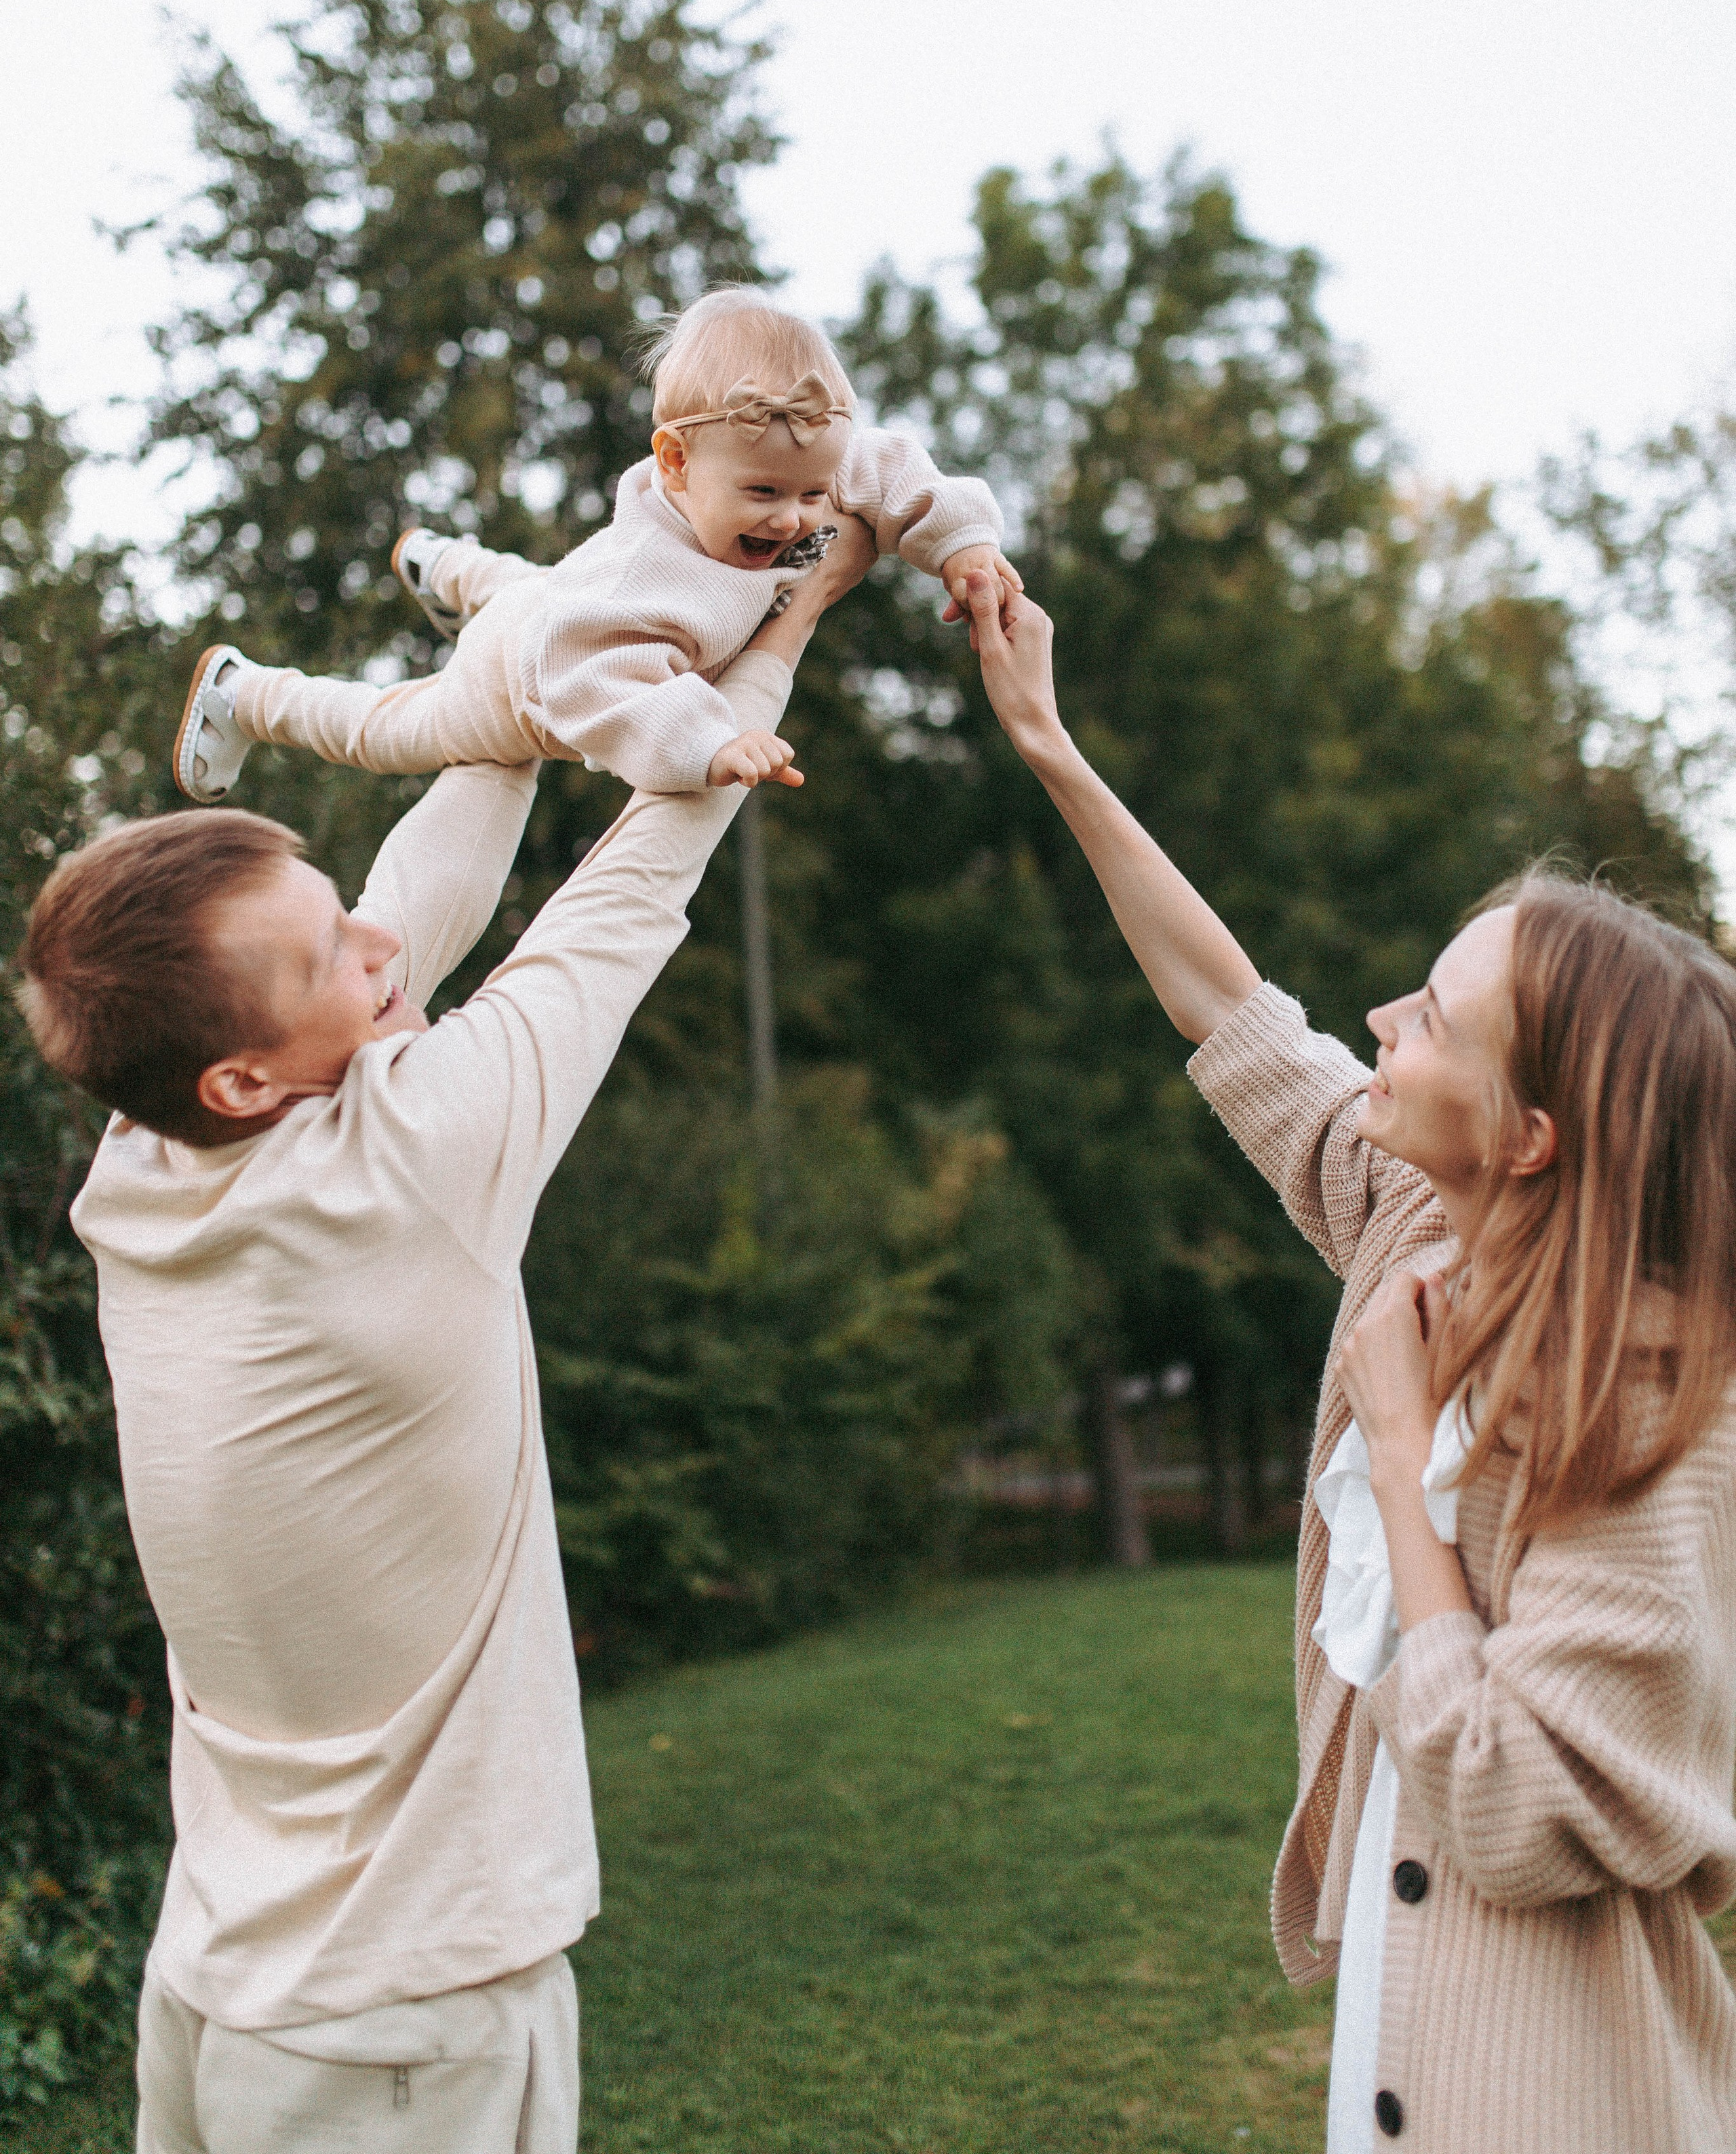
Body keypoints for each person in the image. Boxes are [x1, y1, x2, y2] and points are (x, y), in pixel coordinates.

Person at [14, 521, 872, 2154]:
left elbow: (431, 870)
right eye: (331, 953)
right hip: (400, 2028)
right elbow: (653, 850)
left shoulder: (139, 1166)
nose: (382, 945)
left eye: (342, 910)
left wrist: (556, 638)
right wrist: (787, 613)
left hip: (218, 1981)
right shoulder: (411, 1164)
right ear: (244, 1077)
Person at [955, 566, 1736, 2154]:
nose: (1382, 1017)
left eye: (1433, 1020)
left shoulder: (1647, 1400)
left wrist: (1398, 1458)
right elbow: (1228, 1009)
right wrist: (1047, 741)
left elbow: (1516, 1806)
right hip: (1402, 2044)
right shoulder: (1416, 1221)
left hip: (1551, 2094)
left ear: (1530, 1136)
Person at [172, 288, 1021, 806]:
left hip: (557, 598)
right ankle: (246, 694)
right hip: (519, 679)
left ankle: (441, 563)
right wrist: (710, 743)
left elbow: (892, 467)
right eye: (763, 496)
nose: (796, 519)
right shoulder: (640, 579)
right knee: (389, 730)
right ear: (676, 464)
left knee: (537, 583)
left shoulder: (799, 454)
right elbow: (596, 681)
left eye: (809, 493)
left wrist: (961, 547)